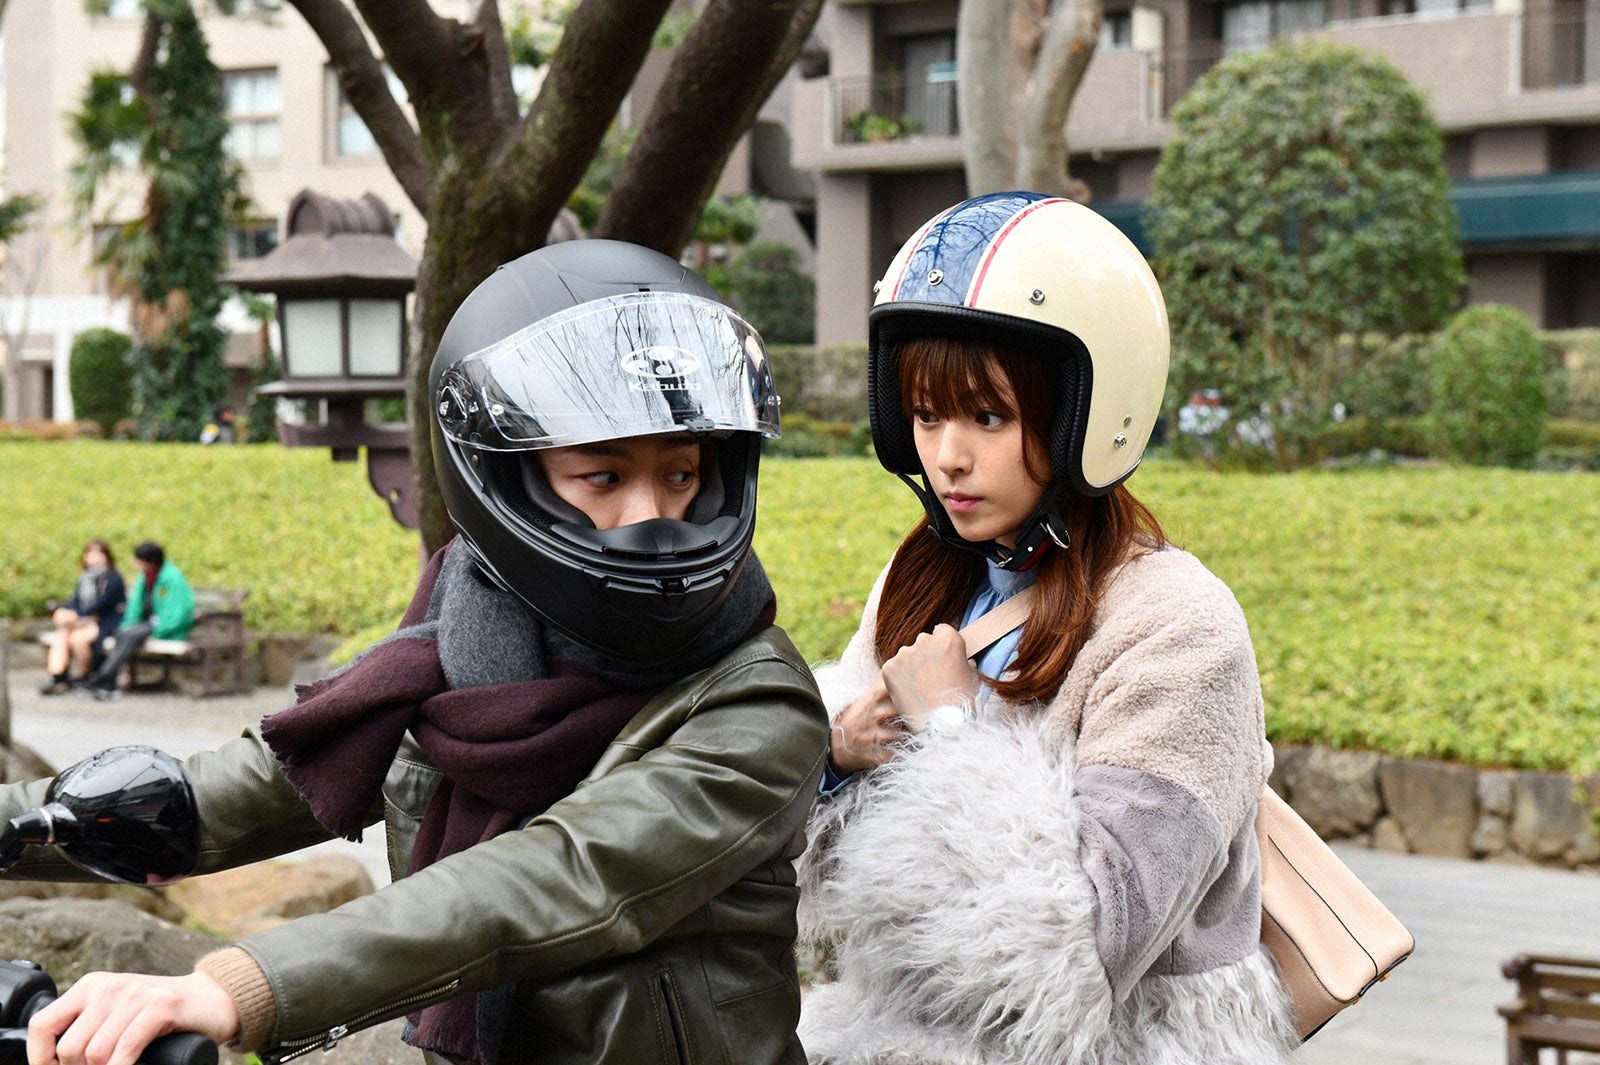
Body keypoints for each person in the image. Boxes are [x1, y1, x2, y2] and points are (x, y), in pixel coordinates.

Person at [6, 240, 829, 1065]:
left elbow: (555, 877)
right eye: (603, 478)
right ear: (508, 477)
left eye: (681, 475)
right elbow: (234, 792)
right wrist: (16, 825)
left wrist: (240, 984)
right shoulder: (456, 653)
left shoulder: (758, 702)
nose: (652, 515)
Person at [795, 192, 1299, 1065]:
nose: (947, 455)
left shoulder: (1180, 626)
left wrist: (950, 730)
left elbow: (1083, 950)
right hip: (892, 1031)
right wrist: (836, 755)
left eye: (988, 416)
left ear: (1085, 414)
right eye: (925, 414)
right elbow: (825, 882)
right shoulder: (923, 579)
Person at [78, 541, 195, 702]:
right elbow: (135, 607)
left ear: (150, 562)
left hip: (167, 627)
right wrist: (128, 624)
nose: (135, 564)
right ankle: (107, 681)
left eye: (138, 560)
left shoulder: (172, 578)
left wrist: (159, 629)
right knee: (123, 633)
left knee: (130, 635)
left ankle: (104, 677)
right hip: (147, 624)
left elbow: (178, 613)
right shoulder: (144, 577)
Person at [38, 539, 126, 695]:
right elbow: (75, 601)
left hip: (103, 622)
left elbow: (103, 604)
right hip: (83, 621)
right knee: (61, 635)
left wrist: (78, 616)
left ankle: (87, 675)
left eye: (98, 554)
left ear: (106, 556)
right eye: (90, 554)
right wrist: (68, 613)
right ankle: (57, 676)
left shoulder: (113, 578)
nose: (93, 558)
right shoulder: (85, 578)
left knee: (78, 638)